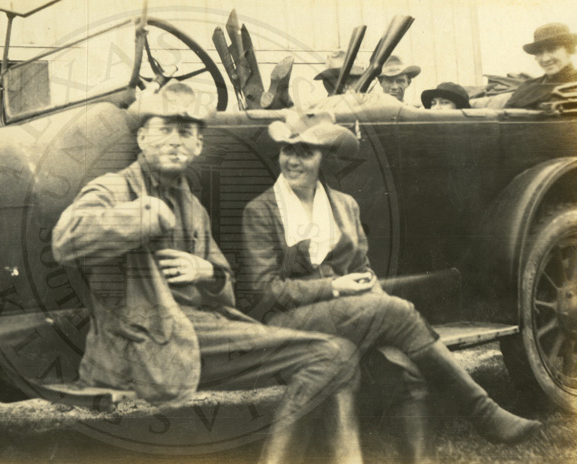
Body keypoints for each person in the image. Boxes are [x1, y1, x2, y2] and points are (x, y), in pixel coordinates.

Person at [52, 82, 363, 464]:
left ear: (198, 145)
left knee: (336, 359)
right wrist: (143, 215)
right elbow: (65, 241)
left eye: (186, 133)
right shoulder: (114, 188)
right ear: (142, 138)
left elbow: (226, 287)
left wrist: (206, 272)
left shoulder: (191, 205)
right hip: (145, 342)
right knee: (333, 356)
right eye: (164, 129)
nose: (175, 141)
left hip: (196, 334)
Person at [239, 113, 542, 449]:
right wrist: (336, 287)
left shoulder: (344, 206)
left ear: (323, 158)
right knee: (397, 311)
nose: (293, 161)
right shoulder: (262, 210)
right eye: (287, 150)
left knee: (405, 368)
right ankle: (482, 411)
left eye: (304, 152)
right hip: (287, 320)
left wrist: (375, 304)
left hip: (347, 315)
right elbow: (265, 291)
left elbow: (363, 271)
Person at [506, 22, 577, 109]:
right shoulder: (527, 86)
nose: (545, 59)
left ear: (569, 50)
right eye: (539, 52)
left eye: (552, 49)